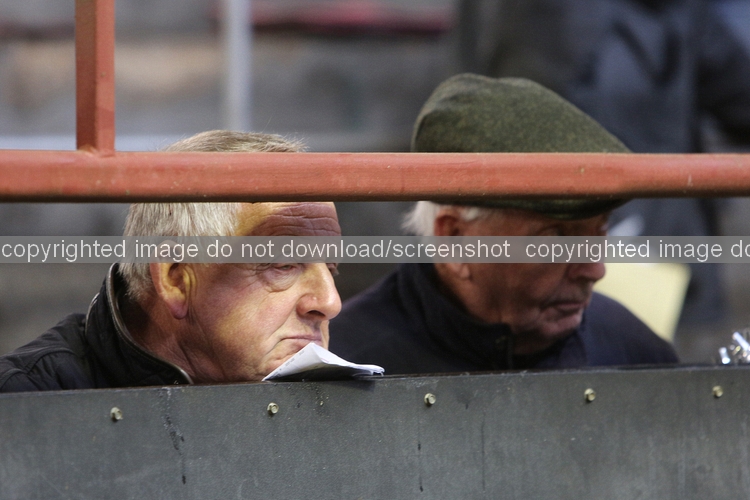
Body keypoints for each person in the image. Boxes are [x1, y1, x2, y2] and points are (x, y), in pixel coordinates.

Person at [329, 74, 678, 374]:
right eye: (556, 239)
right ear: (456, 238)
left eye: (599, 231)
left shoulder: (633, 351)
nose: (595, 270)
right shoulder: (347, 369)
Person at [0, 130, 342, 392]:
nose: (330, 303)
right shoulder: (28, 402)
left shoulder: (337, 388)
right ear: (176, 279)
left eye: (331, 267)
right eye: (284, 265)